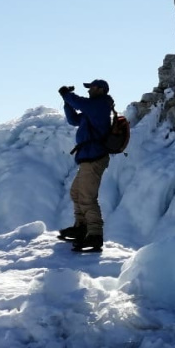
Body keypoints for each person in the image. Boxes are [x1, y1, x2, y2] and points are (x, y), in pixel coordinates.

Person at [57, 79, 115, 252]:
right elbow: (73, 119)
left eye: (92, 87)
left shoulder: (100, 105)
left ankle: (95, 236)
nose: (89, 90)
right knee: (76, 193)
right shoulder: (93, 109)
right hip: (88, 158)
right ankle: (81, 228)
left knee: (87, 197)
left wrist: (67, 95)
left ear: (101, 89)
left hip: (94, 158)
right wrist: (67, 101)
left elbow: (80, 103)